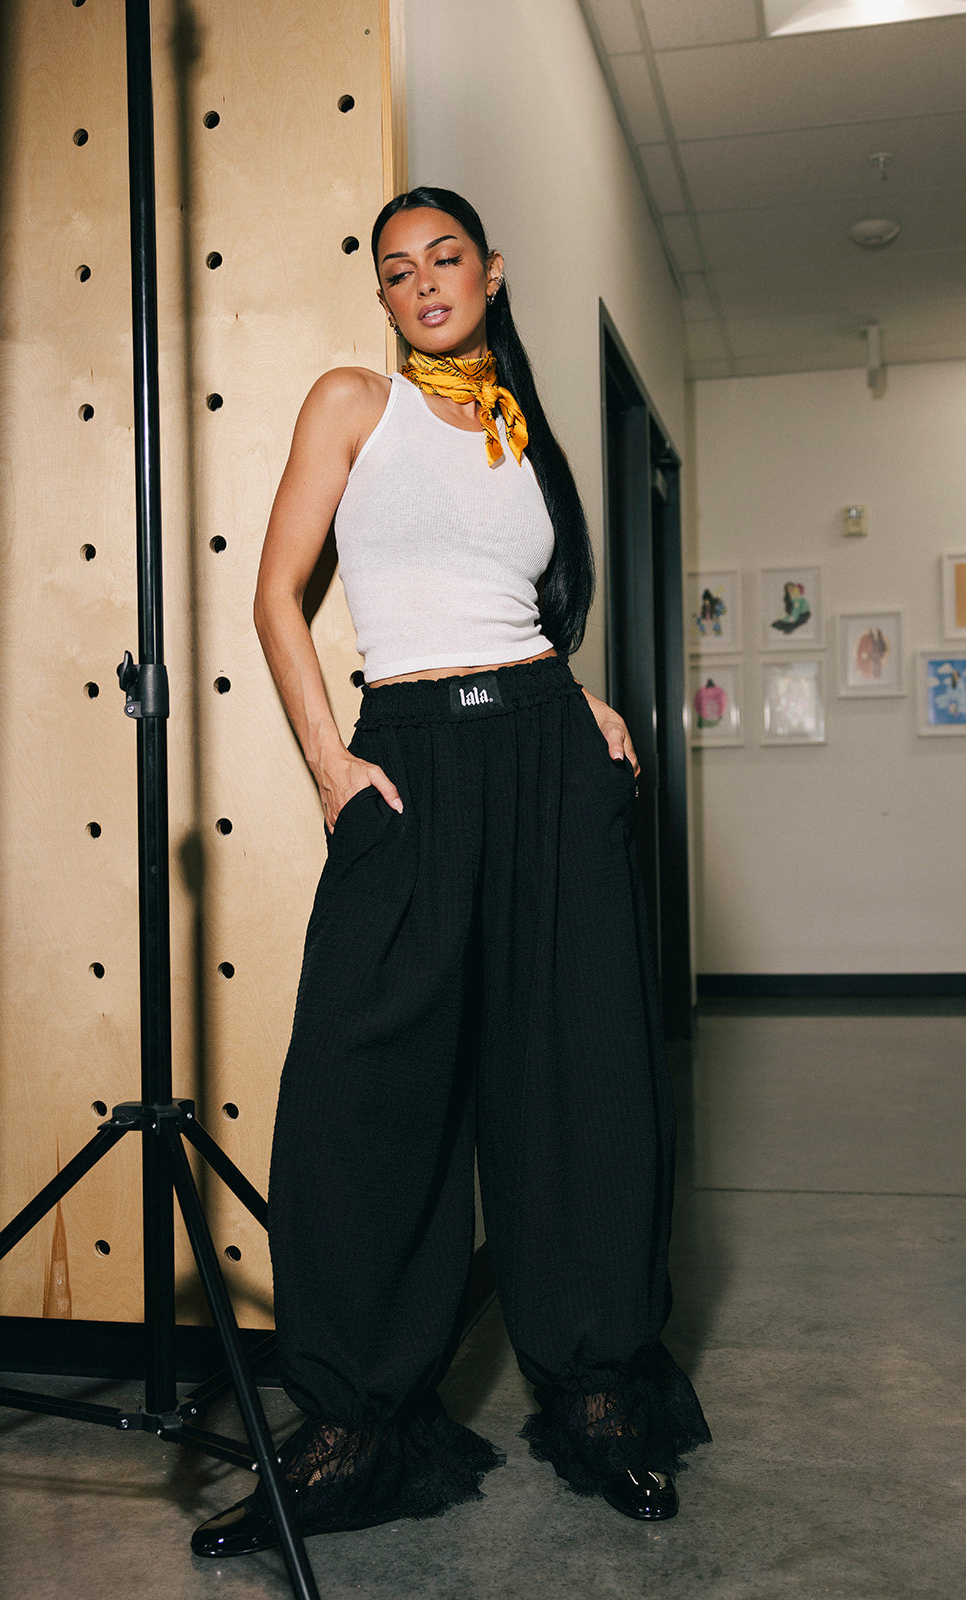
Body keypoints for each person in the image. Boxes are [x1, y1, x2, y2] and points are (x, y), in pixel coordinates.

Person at [192, 187, 710, 1560]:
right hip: (410, 756)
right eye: (396, 268)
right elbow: (276, 594)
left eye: (446, 259)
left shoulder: (523, 432)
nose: (423, 282)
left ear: (491, 271)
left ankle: (600, 1393)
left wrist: (583, 701)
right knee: (365, 1091)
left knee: (580, 1072)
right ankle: (354, 1422)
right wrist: (326, 765)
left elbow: (516, 608)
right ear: (381, 294)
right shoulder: (353, 403)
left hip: (546, 751)